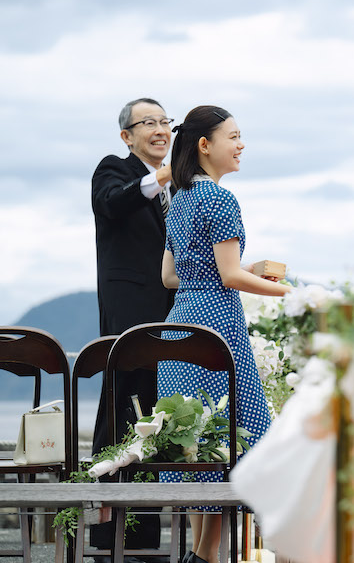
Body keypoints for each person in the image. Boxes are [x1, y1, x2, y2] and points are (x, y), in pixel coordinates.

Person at [159, 106, 291, 563]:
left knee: (196, 439)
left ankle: (203, 556)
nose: (240, 145)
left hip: (179, 323)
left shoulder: (180, 199)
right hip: (217, 322)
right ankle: (206, 557)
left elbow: (171, 277)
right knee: (227, 434)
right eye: (233, 136)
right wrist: (282, 291)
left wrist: (238, 270)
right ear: (204, 145)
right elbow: (230, 276)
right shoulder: (220, 199)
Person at [90, 98, 176, 556]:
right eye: (150, 123)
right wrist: (160, 177)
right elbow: (111, 204)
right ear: (127, 136)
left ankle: (145, 541)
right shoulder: (114, 169)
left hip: (172, 315)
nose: (162, 130)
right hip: (128, 315)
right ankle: (106, 540)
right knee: (121, 410)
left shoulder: (177, 188)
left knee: (157, 420)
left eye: (166, 122)